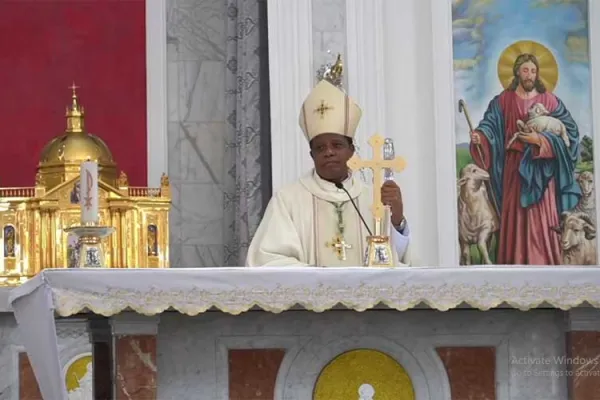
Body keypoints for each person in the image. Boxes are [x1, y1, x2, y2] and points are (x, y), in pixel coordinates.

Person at [246, 80, 411, 267]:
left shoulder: (372, 199)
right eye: (320, 147)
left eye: (337, 145)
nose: (329, 152)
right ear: (312, 155)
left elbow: (395, 264)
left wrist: (397, 220)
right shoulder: (288, 200)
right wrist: (322, 279)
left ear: (351, 150)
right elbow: (268, 261)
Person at [469, 53, 580, 264]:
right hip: (514, 171)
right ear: (517, 72)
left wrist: (540, 139)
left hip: (543, 170)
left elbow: (570, 133)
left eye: (533, 71)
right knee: (517, 218)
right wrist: (480, 137)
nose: (530, 75)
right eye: (526, 70)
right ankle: (514, 264)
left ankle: (546, 265)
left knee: (542, 219)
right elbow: (489, 127)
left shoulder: (549, 100)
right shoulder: (503, 100)